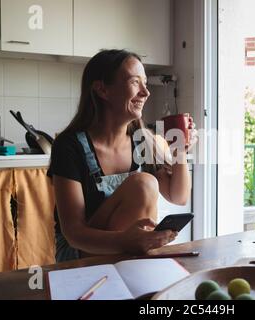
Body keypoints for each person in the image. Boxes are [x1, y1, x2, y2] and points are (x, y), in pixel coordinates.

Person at [47, 49, 198, 262]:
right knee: (143, 183)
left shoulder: (143, 140)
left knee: (145, 183)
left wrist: (180, 151)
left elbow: (178, 196)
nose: (146, 92)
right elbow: (73, 233)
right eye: (135, 82)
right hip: (79, 256)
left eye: (145, 83)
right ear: (102, 90)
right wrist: (126, 241)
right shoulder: (69, 146)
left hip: (128, 255)